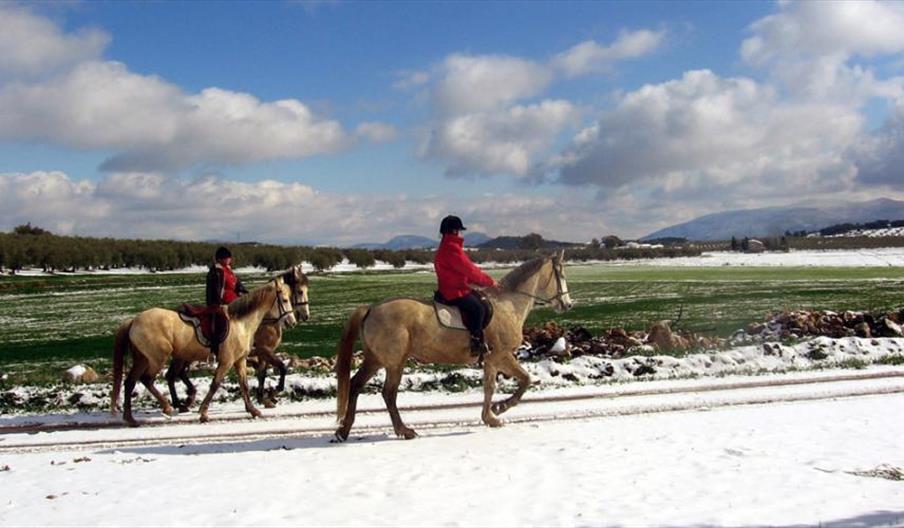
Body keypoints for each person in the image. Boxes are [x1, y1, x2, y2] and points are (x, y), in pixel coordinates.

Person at [433, 215, 497, 356]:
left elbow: (459, 271)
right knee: (478, 309)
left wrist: (470, 282)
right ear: (455, 231)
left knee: (479, 300)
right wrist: (489, 282)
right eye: (460, 230)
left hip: (453, 287)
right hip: (454, 291)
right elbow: (470, 269)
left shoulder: (445, 246)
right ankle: (476, 342)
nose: (461, 233)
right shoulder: (452, 249)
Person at [205, 246, 248, 358]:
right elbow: (214, 291)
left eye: (229, 257)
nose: (229, 259)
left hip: (234, 303)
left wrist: (246, 293)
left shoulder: (229, 271)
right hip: (222, 305)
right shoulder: (216, 272)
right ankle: (217, 346)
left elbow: (238, 285)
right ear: (220, 259)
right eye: (227, 258)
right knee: (221, 322)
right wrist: (219, 304)